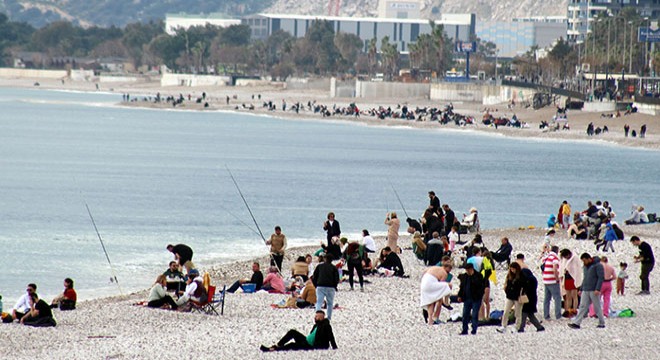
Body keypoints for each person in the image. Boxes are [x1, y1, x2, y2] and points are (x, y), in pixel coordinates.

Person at [260, 310, 337, 351]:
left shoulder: (326, 326)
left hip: (312, 346)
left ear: (321, 317)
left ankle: (274, 349)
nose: (315, 318)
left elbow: (331, 336)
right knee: (292, 332)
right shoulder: (316, 325)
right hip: (306, 341)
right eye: (315, 316)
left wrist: (334, 348)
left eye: (317, 317)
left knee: (292, 345)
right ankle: (278, 345)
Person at [568, 253, 605, 329]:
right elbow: (585, 278)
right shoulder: (585, 267)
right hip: (586, 289)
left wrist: (598, 289)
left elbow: (601, 278)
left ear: (589, 259)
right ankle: (577, 323)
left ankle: (601, 322)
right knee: (582, 306)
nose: (584, 262)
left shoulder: (598, 265)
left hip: (593, 289)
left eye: (584, 260)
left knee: (597, 306)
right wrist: (581, 288)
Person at [497, 262, 526, 333]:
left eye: (513, 269)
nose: (512, 270)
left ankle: (516, 327)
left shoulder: (521, 276)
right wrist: (507, 291)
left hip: (518, 297)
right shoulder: (509, 275)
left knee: (518, 313)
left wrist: (521, 294)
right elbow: (507, 284)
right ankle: (503, 326)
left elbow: (524, 286)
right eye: (511, 269)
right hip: (510, 296)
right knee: (506, 311)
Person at [457, 263, 484, 335]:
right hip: (467, 298)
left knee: (475, 315)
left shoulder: (478, 276)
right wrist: (460, 296)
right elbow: (462, 287)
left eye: (468, 270)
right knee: (465, 315)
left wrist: (472, 276)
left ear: (471, 269)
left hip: (476, 299)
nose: (467, 271)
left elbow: (480, 286)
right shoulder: (465, 276)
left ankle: (474, 329)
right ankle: (464, 330)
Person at [313, 254, 340, 320]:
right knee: (330, 303)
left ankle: (318, 317)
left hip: (320, 286)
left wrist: (315, 285)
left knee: (319, 302)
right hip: (330, 287)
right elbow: (337, 278)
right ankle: (328, 318)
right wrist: (335, 286)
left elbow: (314, 276)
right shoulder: (334, 268)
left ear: (324, 259)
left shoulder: (319, 266)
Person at [518, 266, 545, 332]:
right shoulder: (533, 279)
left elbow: (527, 289)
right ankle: (539, 327)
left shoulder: (529, 280)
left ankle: (521, 328)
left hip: (528, 299)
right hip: (532, 299)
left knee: (524, 313)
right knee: (530, 315)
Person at [559, 249, 583, 317]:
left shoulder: (575, 258)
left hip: (573, 279)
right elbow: (562, 267)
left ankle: (574, 310)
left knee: (574, 296)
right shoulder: (565, 260)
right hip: (566, 279)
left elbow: (577, 270)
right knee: (568, 296)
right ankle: (569, 310)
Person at [542, 245, 562, 320]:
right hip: (552, 280)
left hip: (545, 279)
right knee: (557, 298)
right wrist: (557, 278)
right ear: (557, 251)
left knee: (547, 298)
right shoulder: (555, 258)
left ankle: (546, 315)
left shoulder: (547, 257)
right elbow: (555, 268)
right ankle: (558, 315)